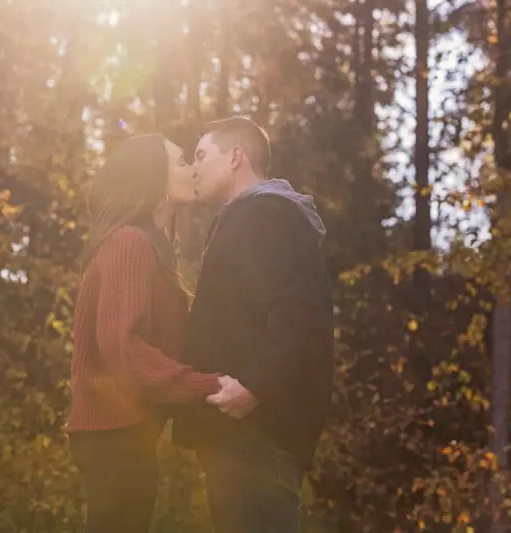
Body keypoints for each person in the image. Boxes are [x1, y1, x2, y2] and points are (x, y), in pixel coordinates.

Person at [66, 133, 239, 533]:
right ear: (154, 180)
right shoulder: (130, 243)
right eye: (180, 161)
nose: (191, 168)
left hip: (123, 434)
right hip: (114, 437)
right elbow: (123, 350)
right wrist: (207, 386)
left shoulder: (151, 246)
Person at [171, 117, 334, 533]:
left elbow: (298, 309)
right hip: (243, 438)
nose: (194, 167)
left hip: (255, 437)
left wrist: (255, 387)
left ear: (235, 157)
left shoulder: (265, 215)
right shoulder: (258, 216)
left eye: (202, 155)